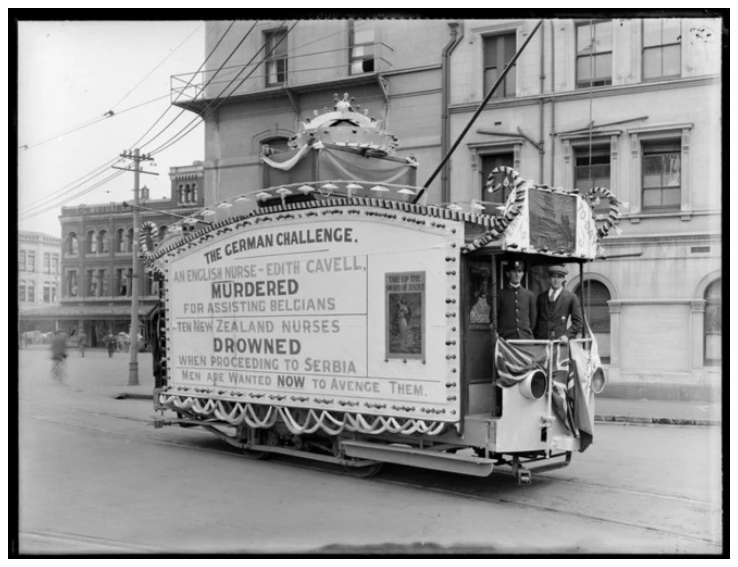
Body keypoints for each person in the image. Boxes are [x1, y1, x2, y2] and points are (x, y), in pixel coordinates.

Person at [534, 265, 583, 343]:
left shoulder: (571, 297)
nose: (556, 280)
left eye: (559, 277)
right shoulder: (541, 297)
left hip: (559, 341)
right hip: (541, 341)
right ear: (549, 278)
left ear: (563, 279)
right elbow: (534, 319)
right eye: (553, 277)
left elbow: (578, 322)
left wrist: (567, 335)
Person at [495, 260, 536, 340]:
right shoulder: (500, 294)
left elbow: (533, 319)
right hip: (506, 338)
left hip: (525, 338)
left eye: (520, 271)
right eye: (514, 271)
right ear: (508, 274)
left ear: (523, 274)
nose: (517, 274)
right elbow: (494, 317)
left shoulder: (529, 295)